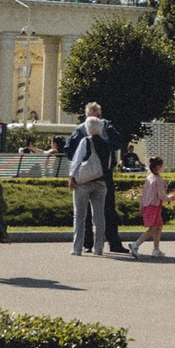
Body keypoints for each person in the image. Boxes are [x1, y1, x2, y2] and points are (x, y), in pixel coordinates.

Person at [69, 106, 114, 257]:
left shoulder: (85, 142)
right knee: (99, 216)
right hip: (101, 183)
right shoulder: (107, 144)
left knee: (80, 216)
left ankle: (77, 248)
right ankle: (99, 248)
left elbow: (76, 160)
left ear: (87, 128)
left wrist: (72, 177)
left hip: (84, 182)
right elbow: (109, 164)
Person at [130, 152, 170, 258]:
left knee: (159, 226)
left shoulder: (149, 178)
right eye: (162, 165)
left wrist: (141, 206)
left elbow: (145, 193)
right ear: (158, 167)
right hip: (155, 206)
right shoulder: (159, 180)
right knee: (153, 228)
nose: (163, 167)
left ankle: (156, 249)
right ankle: (136, 244)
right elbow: (161, 196)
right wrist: (170, 198)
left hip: (148, 206)